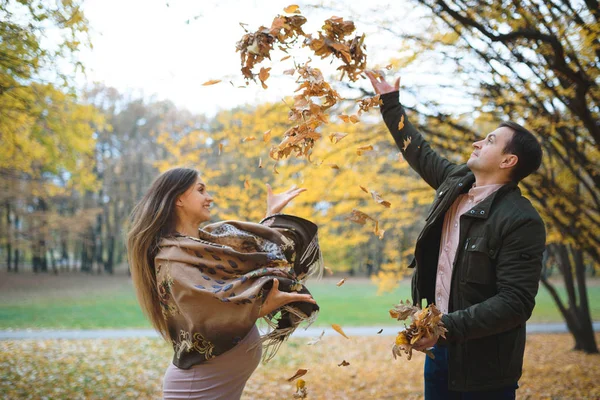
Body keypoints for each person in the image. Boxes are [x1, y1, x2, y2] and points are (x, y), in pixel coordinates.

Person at [366, 71, 546, 399]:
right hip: (439, 352)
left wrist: (446, 329)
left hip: (484, 367)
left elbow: (515, 303)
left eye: (490, 140)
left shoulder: (521, 220)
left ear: (509, 160)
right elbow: (417, 151)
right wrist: (390, 103)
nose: (478, 142)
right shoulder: (455, 182)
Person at [126, 167, 323, 400]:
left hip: (216, 386)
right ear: (178, 198)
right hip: (195, 389)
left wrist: (271, 215)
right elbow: (206, 309)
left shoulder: (204, 243)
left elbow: (248, 258)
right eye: (201, 190)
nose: (209, 197)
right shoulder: (171, 257)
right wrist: (259, 308)